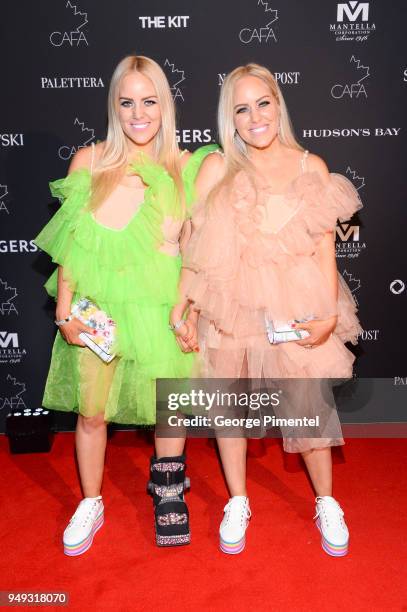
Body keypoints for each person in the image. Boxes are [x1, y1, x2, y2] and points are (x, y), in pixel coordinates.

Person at [170, 63, 362, 557]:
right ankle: (238, 500)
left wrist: (327, 313)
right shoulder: (217, 168)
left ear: (279, 104)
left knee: (309, 411)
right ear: (229, 119)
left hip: (295, 304)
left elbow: (325, 249)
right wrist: (184, 306)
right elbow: (198, 247)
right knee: (230, 410)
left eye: (263, 103)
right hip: (233, 305)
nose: (254, 117)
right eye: (241, 108)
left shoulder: (311, 166)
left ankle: (326, 502)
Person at [34, 55, 216, 554]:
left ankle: (168, 490)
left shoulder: (184, 167)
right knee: (92, 413)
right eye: (127, 101)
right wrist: (63, 307)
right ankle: (91, 501)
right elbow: (75, 242)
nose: (139, 113)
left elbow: (196, 251)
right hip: (101, 309)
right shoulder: (88, 161)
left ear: (165, 105)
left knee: (168, 412)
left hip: (163, 306)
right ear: (114, 106)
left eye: (150, 100)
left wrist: (192, 311)